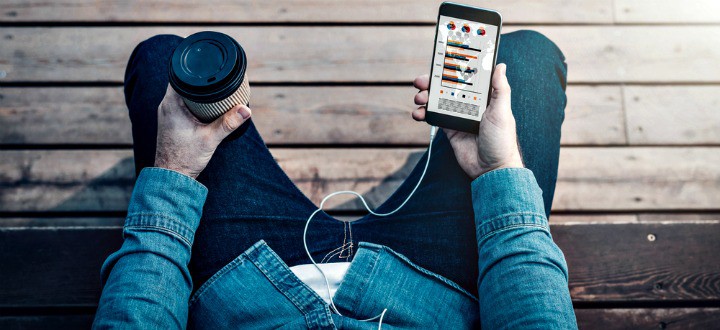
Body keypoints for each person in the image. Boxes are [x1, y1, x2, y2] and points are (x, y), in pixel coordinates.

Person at [92, 30, 576, 329]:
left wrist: (174, 172)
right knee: (526, 59)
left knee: (166, 62)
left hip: (249, 287)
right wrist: (499, 169)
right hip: (437, 292)